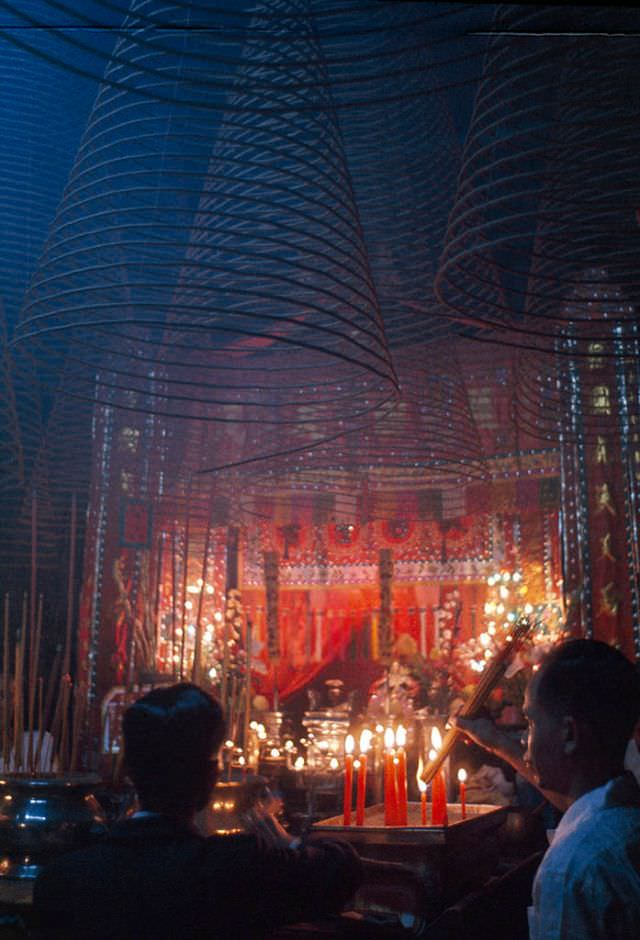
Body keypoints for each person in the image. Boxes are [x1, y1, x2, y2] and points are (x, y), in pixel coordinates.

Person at [34, 683, 362, 939]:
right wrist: (287, 841)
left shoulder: (63, 879)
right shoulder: (232, 867)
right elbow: (341, 869)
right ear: (211, 776)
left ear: (128, 771)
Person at [455, 638, 640, 939]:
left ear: (569, 733)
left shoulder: (571, 869)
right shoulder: (625, 815)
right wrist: (496, 741)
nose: (526, 741)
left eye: (531, 722)